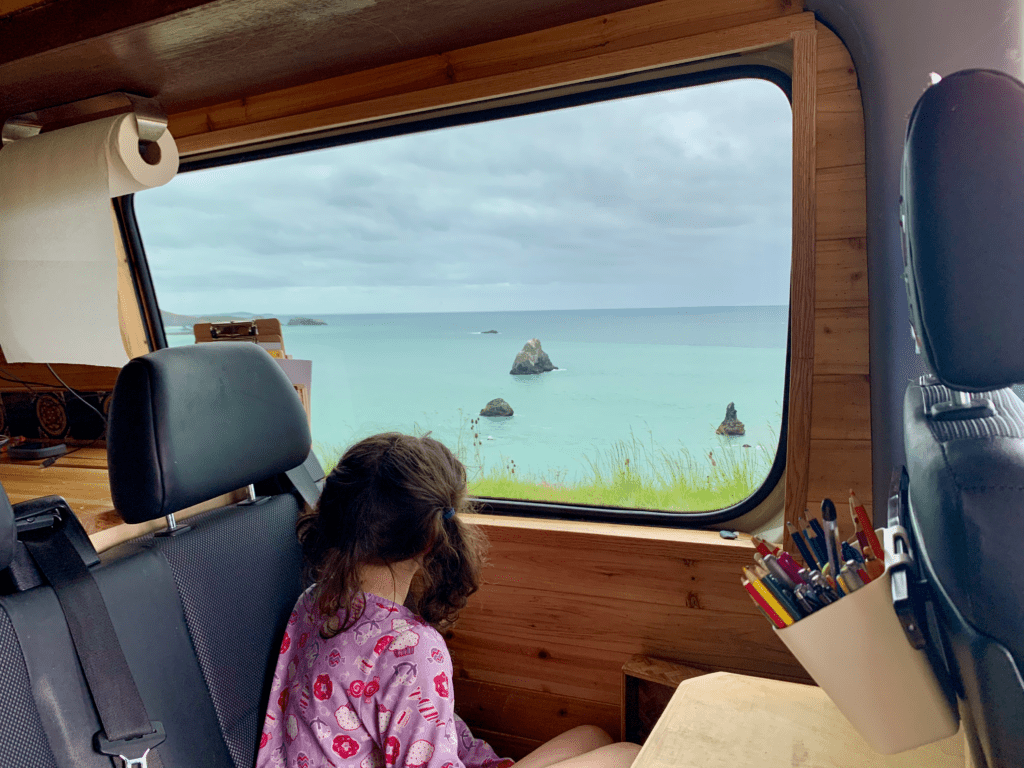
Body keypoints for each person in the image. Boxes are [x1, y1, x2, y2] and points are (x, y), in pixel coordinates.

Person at [257, 432, 641, 768]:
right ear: (430, 541)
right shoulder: (411, 649)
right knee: (628, 755)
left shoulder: (315, 600)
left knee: (593, 736)